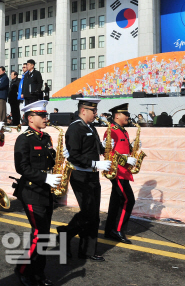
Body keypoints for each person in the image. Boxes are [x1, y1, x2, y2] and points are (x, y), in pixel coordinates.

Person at [57, 98, 111, 261]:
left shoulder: (90, 127)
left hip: (92, 174)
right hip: (80, 175)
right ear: (83, 111)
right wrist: (96, 163)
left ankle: (87, 250)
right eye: (93, 111)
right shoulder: (75, 129)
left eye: (96, 111)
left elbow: (95, 148)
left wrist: (105, 146)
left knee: (93, 214)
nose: (96, 113)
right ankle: (65, 235)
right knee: (88, 212)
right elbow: (74, 156)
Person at [13, 100, 59, 286]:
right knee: (39, 233)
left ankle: (38, 272)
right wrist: (44, 178)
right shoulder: (24, 139)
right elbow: (21, 167)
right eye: (42, 115)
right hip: (31, 191)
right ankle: (23, 270)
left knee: (44, 234)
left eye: (45, 115)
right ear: (31, 118)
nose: (46, 118)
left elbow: (49, 161)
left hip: (45, 191)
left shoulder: (46, 137)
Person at [104, 103, 138, 244]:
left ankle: (109, 229)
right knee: (128, 200)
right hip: (117, 171)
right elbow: (109, 153)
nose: (128, 117)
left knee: (116, 201)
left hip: (124, 171)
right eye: (126, 114)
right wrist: (125, 158)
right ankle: (118, 230)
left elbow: (123, 148)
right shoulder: (111, 130)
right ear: (117, 116)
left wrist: (134, 146)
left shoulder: (123, 130)